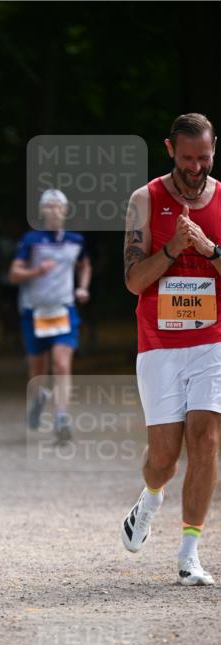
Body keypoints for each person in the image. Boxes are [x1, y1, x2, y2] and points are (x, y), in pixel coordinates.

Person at [121, 112, 221, 586]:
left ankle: (188, 553)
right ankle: (151, 496)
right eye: (187, 158)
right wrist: (172, 249)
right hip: (159, 343)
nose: (196, 167)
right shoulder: (145, 200)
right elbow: (133, 281)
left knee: (206, 441)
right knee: (164, 456)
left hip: (212, 342)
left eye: (204, 157)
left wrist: (209, 250)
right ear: (169, 150)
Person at [9, 190, 91, 443]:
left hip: (63, 310)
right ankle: (40, 397)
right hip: (35, 311)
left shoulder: (76, 240)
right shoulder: (31, 240)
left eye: (59, 207)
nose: (55, 211)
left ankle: (61, 417)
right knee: (38, 369)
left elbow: (84, 264)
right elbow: (14, 274)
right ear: (42, 211)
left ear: (66, 211)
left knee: (61, 364)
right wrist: (36, 271)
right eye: (50, 207)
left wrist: (82, 287)